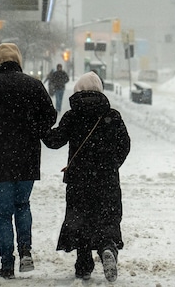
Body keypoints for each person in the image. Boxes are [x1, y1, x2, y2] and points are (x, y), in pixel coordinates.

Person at [0, 43, 57, 280]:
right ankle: (26, 251)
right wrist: (34, 128)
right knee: (23, 205)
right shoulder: (33, 85)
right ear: (18, 60)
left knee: (3, 212)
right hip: (27, 156)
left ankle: (7, 263)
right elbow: (50, 115)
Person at [42, 71, 131, 282]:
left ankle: (84, 265)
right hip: (107, 179)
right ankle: (107, 248)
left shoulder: (73, 116)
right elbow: (124, 145)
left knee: (80, 219)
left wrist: (40, 127)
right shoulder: (112, 116)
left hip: (79, 180)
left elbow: (54, 141)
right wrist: (112, 165)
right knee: (107, 217)